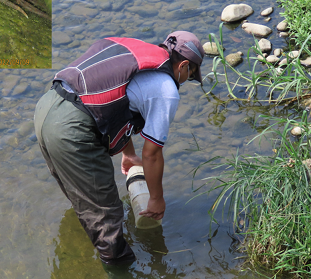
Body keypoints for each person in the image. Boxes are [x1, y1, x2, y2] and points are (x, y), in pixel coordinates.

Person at [34, 31, 205, 266]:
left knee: (84, 200)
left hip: (46, 107)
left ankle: (75, 263)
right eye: (191, 75)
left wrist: (127, 153)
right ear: (184, 65)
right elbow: (152, 154)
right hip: (72, 130)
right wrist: (156, 199)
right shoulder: (167, 89)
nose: (186, 81)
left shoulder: (135, 52)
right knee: (108, 220)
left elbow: (115, 101)